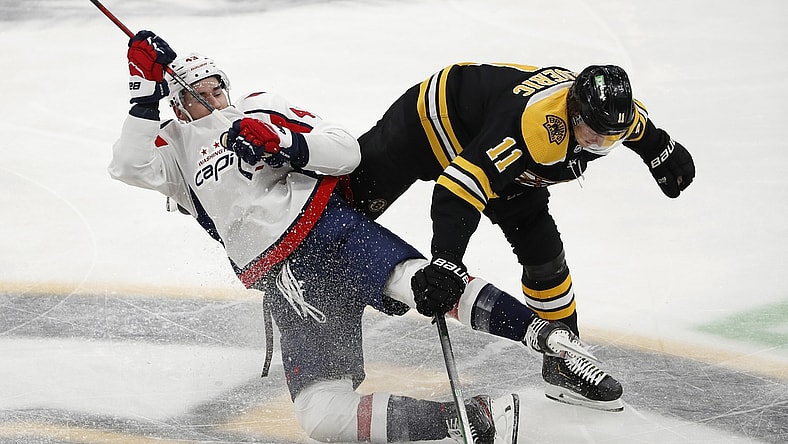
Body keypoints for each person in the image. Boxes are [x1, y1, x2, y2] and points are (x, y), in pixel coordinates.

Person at [109, 31, 613, 443]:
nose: (210, 99)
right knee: (321, 415)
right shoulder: (173, 149)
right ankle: (466, 419)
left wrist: (287, 144)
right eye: (194, 95)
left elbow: (345, 151)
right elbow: (126, 166)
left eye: (215, 87)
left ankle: (555, 343)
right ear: (175, 107)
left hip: (330, 231)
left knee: (426, 284)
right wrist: (142, 90)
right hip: (287, 284)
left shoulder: (258, 108)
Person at [349, 62, 696, 412]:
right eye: (594, 134)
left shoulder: (610, 115)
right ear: (573, 112)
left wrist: (659, 148)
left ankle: (562, 358)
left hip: (510, 160)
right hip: (430, 124)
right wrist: (447, 259)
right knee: (348, 203)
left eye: (610, 139)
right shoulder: (535, 128)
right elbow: (459, 188)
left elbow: (636, 128)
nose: (598, 144)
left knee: (544, 253)